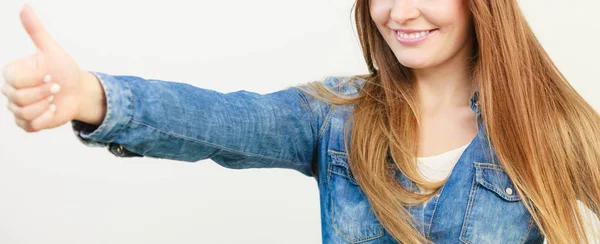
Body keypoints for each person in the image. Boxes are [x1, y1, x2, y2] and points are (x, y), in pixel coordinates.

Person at [2, 1, 599, 243]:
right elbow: (226, 120)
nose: (400, 11)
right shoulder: (335, 118)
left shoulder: (546, 127)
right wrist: (92, 96)